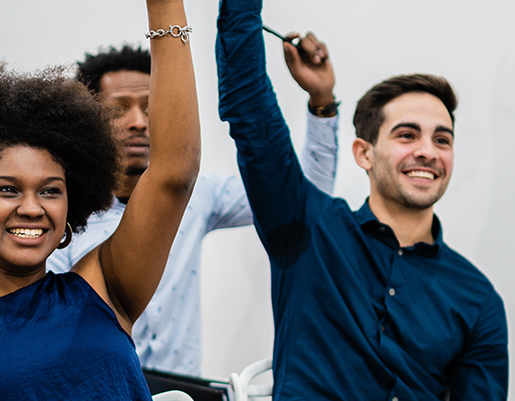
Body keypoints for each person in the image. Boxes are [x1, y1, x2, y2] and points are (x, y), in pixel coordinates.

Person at [0, 0, 198, 398]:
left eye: (51, 190)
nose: (32, 208)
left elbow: (174, 174)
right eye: (7, 189)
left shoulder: (104, 287)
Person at [216, 0, 507, 399]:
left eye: (442, 139)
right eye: (407, 135)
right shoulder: (308, 227)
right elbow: (250, 112)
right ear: (363, 153)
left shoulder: (478, 299)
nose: (427, 151)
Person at [48, 35, 339, 375]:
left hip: (184, 390)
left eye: (150, 105)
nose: (139, 122)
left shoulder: (196, 194)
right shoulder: (60, 207)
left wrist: (322, 101)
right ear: (87, 119)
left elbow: (300, 196)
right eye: (118, 109)